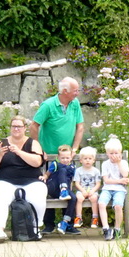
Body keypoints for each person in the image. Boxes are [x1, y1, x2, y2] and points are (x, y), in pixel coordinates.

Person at [30, 77, 84, 233]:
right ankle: (49, 224)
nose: (78, 93)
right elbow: (34, 126)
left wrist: (74, 148)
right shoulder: (48, 105)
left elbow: (80, 127)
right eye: (75, 90)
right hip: (50, 156)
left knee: (68, 187)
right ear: (65, 91)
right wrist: (38, 148)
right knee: (49, 188)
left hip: (67, 157)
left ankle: (69, 225)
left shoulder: (75, 104)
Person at [0, 116, 47, 243]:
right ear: (10, 128)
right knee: (0, 196)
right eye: (14, 126)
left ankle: (36, 228)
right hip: (5, 181)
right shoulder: (1, 144)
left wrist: (19, 152)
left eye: (19, 126)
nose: (16, 129)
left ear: (25, 128)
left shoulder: (33, 143)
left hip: (30, 180)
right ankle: (0, 231)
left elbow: (37, 162)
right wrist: (0, 154)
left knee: (39, 192)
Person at [98, 137, 129, 240]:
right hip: (107, 188)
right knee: (101, 204)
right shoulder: (105, 164)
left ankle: (117, 229)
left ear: (120, 153)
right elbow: (106, 180)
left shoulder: (123, 163)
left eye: (116, 153)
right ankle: (106, 228)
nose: (114, 156)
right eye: (111, 153)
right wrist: (120, 181)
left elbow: (125, 174)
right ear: (107, 153)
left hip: (119, 190)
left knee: (117, 206)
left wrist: (119, 163)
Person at [50, 145, 81, 234]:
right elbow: (48, 173)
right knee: (63, 170)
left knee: (74, 198)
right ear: (59, 157)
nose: (65, 160)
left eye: (67, 158)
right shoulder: (55, 164)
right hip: (55, 189)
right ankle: (63, 189)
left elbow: (72, 180)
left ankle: (65, 222)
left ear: (71, 157)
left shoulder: (72, 167)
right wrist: (44, 176)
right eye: (62, 158)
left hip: (66, 192)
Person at [71, 147, 101, 231]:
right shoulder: (78, 171)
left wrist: (93, 191)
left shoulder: (96, 171)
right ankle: (78, 218)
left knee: (94, 198)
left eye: (90, 159)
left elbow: (98, 184)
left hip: (92, 190)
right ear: (81, 160)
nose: (87, 160)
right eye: (85, 159)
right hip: (82, 190)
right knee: (79, 198)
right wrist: (83, 191)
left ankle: (95, 218)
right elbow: (77, 183)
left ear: (93, 160)